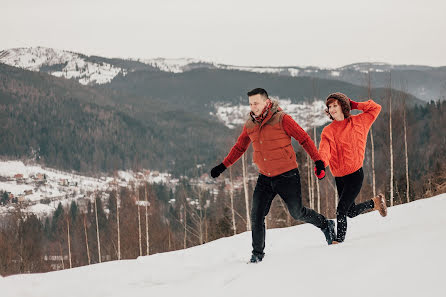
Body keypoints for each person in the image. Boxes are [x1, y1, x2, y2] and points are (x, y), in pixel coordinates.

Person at [210, 88, 336, 263]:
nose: (253, 107)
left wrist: (318, 161)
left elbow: (304, 138)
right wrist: (223, 166)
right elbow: (240, 148)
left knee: (297, 213)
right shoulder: (250, 125)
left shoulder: (282, 119)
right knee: (256, 215)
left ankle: (325, 224)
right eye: (250, 104)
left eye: (256, 103)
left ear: (266, 102)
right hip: (265, 178)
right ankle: (257, 254)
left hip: (287, 175)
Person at [316, 92, 387, 244]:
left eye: (335, 105)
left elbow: (375, 108)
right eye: (330, 106)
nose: (332, 109)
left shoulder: (360, 121)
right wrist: (321, 164)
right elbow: (324, 150)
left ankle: (338, 242)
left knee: (341, 210)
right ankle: (375, 202)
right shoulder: (328, 131)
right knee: (351, 212)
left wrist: (354, 105)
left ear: (343, 105)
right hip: (339, 177)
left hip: (355, 175)